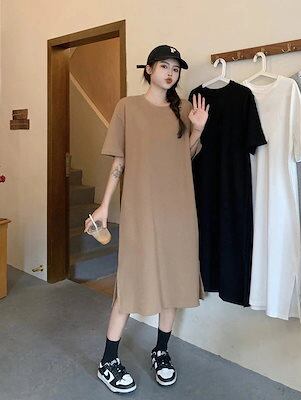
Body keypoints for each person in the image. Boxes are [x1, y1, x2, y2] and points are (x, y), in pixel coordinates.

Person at [84, 45, 210, 393]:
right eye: (164, 66)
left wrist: (198, 129)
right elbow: (119, 161)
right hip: (141, 208)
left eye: (176, 69)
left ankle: (161, 351)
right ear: (149, 69)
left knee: (173, 279)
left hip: (179, 209)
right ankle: (108, 360)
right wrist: (104, 205)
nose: (170, 73)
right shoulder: (127, 107)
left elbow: (182, 158)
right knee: (130, 282)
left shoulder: (183, 109)